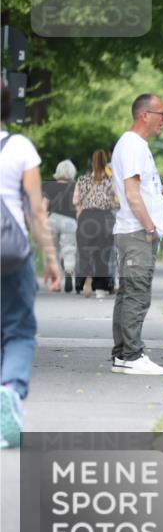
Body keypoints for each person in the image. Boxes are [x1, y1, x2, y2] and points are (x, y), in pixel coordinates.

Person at [1, 82, 61, 448]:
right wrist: (51, 259)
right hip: (11, 254)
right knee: (19, 331)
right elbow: (37, 211)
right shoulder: (20, 148)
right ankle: (9, 390)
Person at [109, 94, 163, 376]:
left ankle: (123, 354)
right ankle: (133, 355)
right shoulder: (133, 145)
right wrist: (150, 228)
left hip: (132, 230)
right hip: (137, 232)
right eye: (161, 113)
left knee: (127, 294)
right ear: (144, 115)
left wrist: (158, 194)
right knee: (137, 294)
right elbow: (133, 196)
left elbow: (138, 191)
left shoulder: (134, 145)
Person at [74, 149, 118, 298]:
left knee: (85, 252)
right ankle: (99, 289)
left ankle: (87, 277)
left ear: (92, 163)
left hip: (86, 218)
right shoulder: (111, 181)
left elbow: (76, 201)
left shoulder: (82, 180)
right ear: (105, 163)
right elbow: (116, 201)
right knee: (102, 254)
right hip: (105, 218)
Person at [42, 159, 78, 292]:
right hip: (70, 221)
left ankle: (56, 282)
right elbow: (78, 205)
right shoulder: (75, 187)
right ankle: (68, 271)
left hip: (53, 219)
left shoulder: (50, 186)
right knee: (69, 250)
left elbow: (43, 207)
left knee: (53, 251)